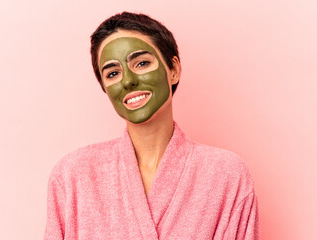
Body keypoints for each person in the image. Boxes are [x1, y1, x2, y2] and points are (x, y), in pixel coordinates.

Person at [44, 12, 260, 240]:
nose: (128, 81)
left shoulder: (226, 174)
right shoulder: (72, 175)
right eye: (113, 73)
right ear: (105, 88)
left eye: (142, 63)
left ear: (173, 69)